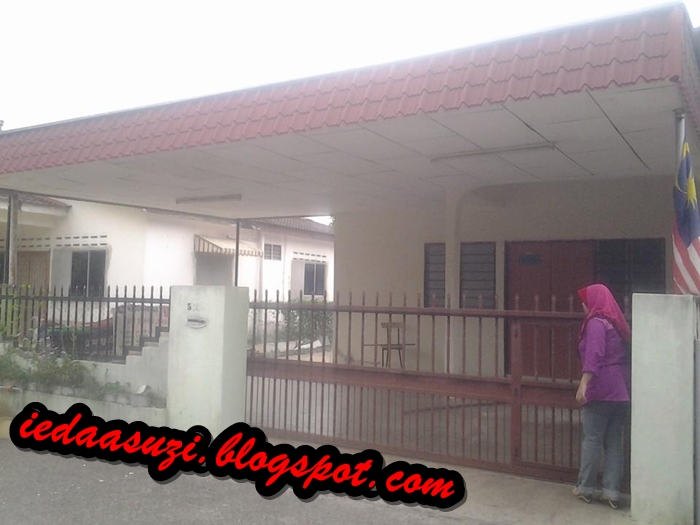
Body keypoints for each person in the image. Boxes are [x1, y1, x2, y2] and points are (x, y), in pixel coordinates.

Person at [572, 283, 631, 510]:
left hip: (601, 387)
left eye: (585, 300)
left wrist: (584, 384)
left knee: (592, 439)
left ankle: (586, 488)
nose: (583, 305)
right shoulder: (614, 323)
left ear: (594, 301)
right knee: (614, 441)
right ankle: (612, 492)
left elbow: (594, 355)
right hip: (620, 389)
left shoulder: (596, 323)